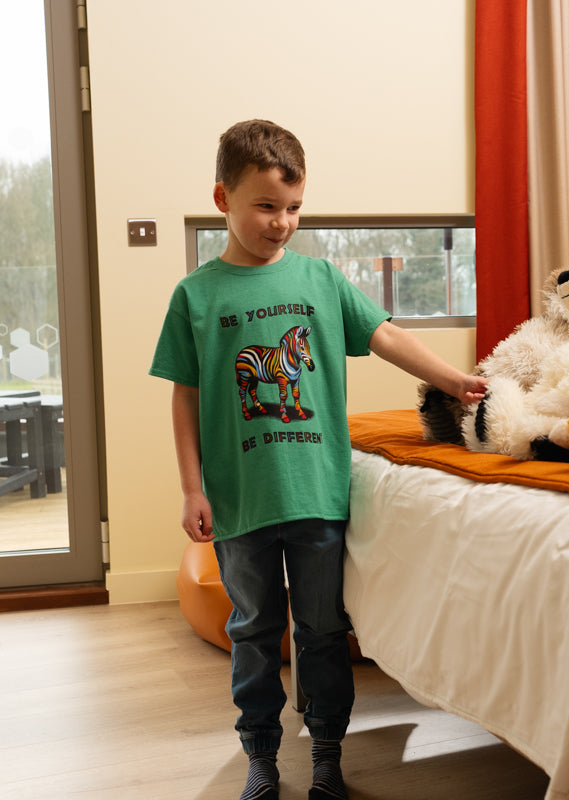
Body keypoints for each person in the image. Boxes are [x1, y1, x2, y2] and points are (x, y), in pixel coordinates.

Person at [149, 119, 488, 800]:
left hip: (318, 493)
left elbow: (384, 335)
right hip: (241, 502)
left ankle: (328, 753)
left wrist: (453, 381)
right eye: (266, 207)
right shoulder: (195, 295)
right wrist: (192, 489)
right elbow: (184, 402)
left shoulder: (320, 279)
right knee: (251, 629)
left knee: (325, 629)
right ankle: (262, 757)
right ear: (224, 198)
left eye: (294, 208)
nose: (281, 223)